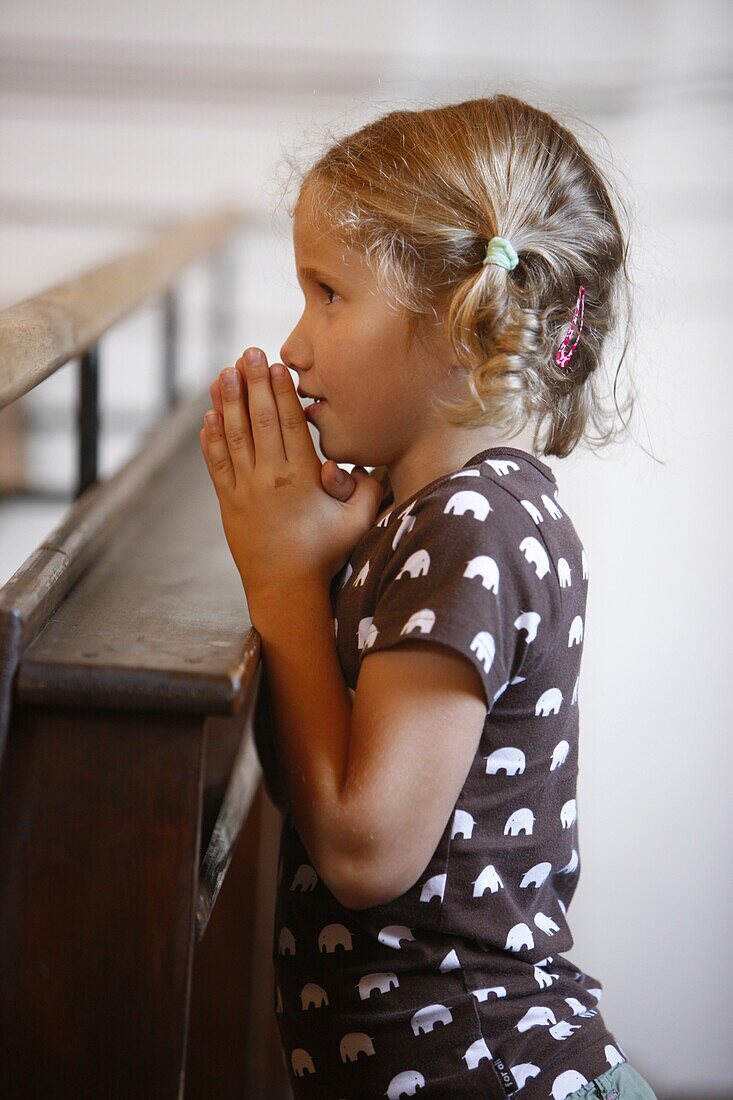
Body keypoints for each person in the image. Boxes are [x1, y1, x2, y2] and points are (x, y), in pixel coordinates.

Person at [201, 94, 656, 1099]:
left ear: (459, 321)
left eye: (328, 292)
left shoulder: (471, 526)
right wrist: (315, 566)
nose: (294, 343)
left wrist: (279, 580)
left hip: (493, 1072)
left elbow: (363, 846)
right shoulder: (445, 517)